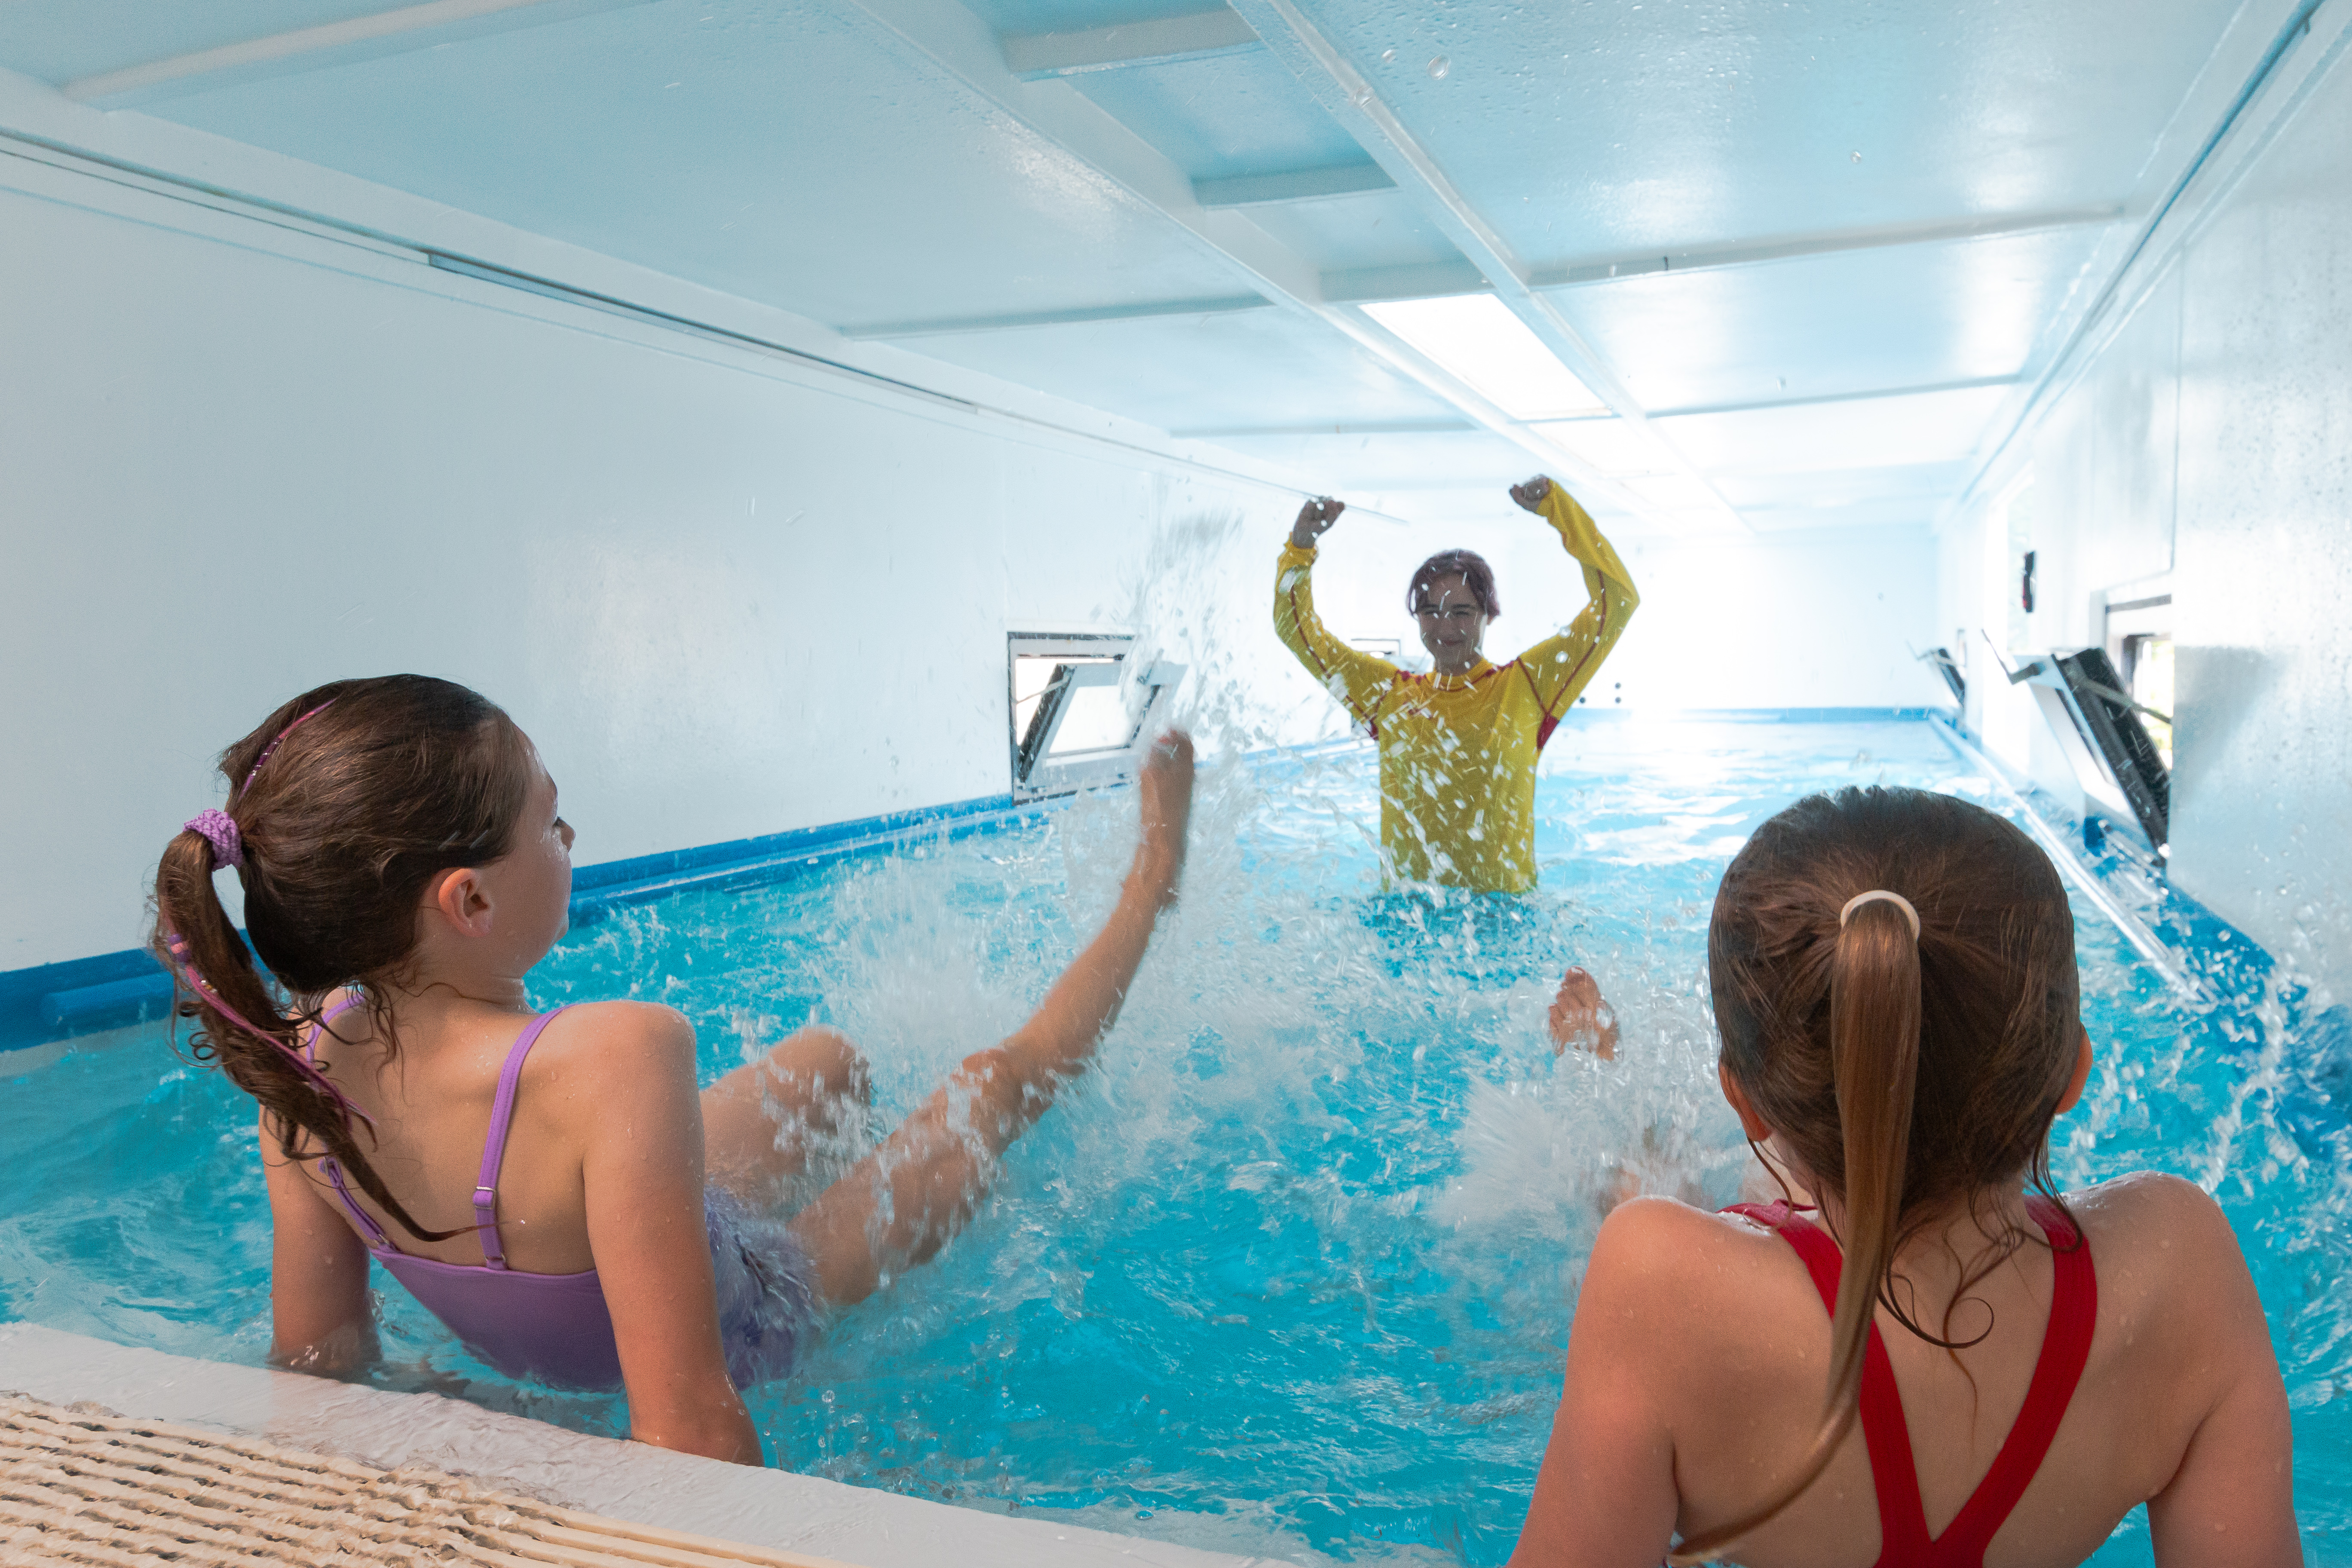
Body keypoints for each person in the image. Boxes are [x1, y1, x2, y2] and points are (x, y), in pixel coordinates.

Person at [150, 675, 1192, 1465]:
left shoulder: (297, 1075)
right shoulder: (618, 1053)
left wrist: (483, 1414)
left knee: (830, 1062)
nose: (570, 837)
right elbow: (688, 1422)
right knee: (994, 1083)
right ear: (469, 903)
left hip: (577, 1228)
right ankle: (1150, 883)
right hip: (762, 1309)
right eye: (549, 822)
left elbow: (319, 1361)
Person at [1509, 787, 2300, 1567]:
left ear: (1743, 1099)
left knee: (1672, 1204)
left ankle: (1601, 1070)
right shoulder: (2181, 1263)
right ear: (2072, 1076)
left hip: (1740, 1279)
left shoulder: (1657, 1278)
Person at [1272, 475, 1638, 894]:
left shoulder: (1527, 686)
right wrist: (1299, 548)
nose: (1445, 627)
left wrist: (1561, 510)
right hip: (1406, 918)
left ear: (1488, 615)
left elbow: (1618, 603)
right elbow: (1296, 632)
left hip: (1507, 917)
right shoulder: (1388, 694)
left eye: (1462, 612)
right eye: (1430, 612)